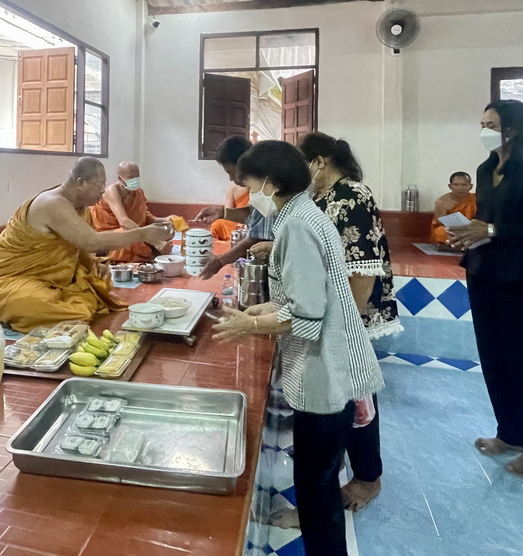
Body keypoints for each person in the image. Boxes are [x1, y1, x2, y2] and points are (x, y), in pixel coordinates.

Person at [212, 140, 384, 556]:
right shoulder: (306, 213)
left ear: (270, 183)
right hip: (331, 365)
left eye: (249, 184)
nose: (247, 192)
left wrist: (250, 326)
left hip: (322, 373)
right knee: (318, 482)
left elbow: (308, 314)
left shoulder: (296, 226)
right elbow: (305, 296)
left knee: (316, 489)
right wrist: (259, 312)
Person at [447, 99, 523, 480]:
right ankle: (510, 433)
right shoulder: (485, 170)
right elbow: (486, 221)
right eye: (482, 123)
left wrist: (493, 230)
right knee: (494, 358)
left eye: (491, 125)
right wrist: (467, 234)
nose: (484, 131)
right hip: (486, 273)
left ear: (512, 129)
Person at [293, 131, 401, 513]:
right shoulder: (321, 198)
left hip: (348, 316)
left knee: (356, 399)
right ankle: (341, 464)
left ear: (319, 162)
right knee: (344, 399)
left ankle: (368, 477)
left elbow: (363, 271)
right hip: (329, 314)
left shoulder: (352, 195)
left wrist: (343, 327)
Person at [0, 158, 173, 332]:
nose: (103, 190)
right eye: (99, 185)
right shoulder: (52, 203)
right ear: (81, 183)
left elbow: (77, 248)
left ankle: (49, 308)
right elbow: (91, 242)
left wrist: (95, 265)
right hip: (8, 280)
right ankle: (16, 311)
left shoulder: (80, 209)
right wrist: (143, 233)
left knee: (96, 289)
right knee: (44, 305)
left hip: (48, 280)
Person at [193, 136, 275, 280]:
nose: (231, 179)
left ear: (244, 164)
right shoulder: (257, 187)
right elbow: (255, 215)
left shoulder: (266, 188)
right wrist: (222, 212)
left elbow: (257, 236)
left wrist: (220, 261)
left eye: (231, 172)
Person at [90, 161, 175, 263]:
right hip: (111, 235)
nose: (135, 180)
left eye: (137, 176)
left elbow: (145, 217)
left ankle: (150, 249)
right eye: (131, 177)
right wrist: (154, 241)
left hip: (135, 230)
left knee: (165, 230)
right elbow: (124, 222)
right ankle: (148, 251)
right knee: (128, 234)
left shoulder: (139, 192)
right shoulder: (112, 191)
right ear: (120, 179)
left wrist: (164, 220)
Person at [430, 171, 477, 246]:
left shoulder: (476, 199)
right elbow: (440, 222)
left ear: (470, 186)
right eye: (456, 184)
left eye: (464, 185)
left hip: (472, 229)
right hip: (451, 230)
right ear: (450, 186)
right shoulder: (442, 201)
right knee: (440, 231)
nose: (460, 188)